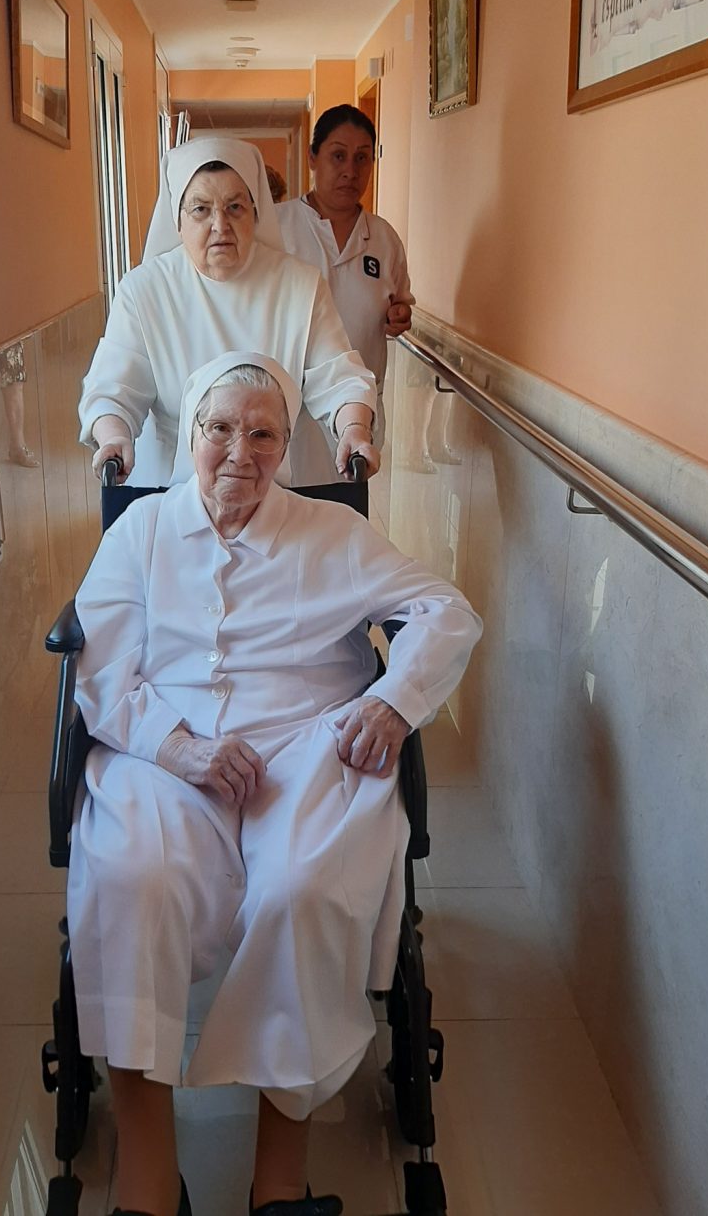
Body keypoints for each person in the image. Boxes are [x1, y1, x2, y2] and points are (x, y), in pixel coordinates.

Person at [67, 352, 482, 1216]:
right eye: (219, 428)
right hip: (164, 747)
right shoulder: (140, 533)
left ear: (287, 446)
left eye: (262, 434)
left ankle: (279, 1182)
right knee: (134, 877)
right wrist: (178, 748)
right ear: (189, 432)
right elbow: (101, 671)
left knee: (301, 887)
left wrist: (393, 701)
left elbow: (446, 611)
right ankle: (148, 1178)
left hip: (306, 747)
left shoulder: (331, 535)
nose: (239, 452)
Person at [78, 137, 379, 488]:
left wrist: (354, 429)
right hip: (173, 490)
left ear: (256, 212)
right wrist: (114, 436)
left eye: (235, 207)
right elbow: (114, 389)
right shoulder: (144, 289)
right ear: (177, 219)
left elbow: (339, 379)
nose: (220, 225)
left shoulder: (301, 285)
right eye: (201, 209)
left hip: (273, 487)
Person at [277, 105, 415, 482]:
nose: (351, 171)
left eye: (362, 158)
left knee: (347, 506)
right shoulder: (276, 228)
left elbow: (399, 302)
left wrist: (399, 315)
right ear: (312, 157)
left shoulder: (383, 238)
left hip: (357, 413)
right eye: (338, 156)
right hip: (290, 414)